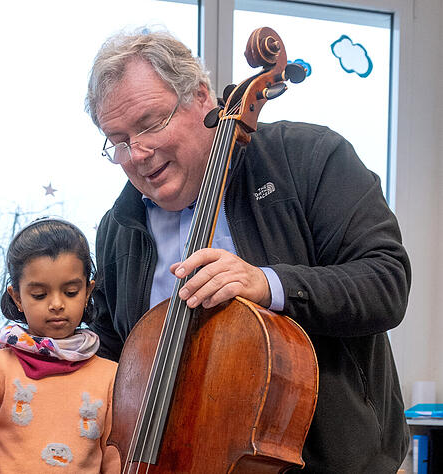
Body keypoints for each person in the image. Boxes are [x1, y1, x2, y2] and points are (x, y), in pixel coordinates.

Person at [84, 29, 410, 472]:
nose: (137, 153)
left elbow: (385, 282)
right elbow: (111, 351)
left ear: (201, 98)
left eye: (150, 124)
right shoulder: (118, 228)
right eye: (119, 140)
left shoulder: (309, 157)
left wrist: (268, 283)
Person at [0, 218, 120, 473]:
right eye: (39, 295)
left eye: (71, 291)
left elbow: (114, 463)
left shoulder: (111, 376)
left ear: (88, 292)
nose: (56, 304)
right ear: (16, 296)